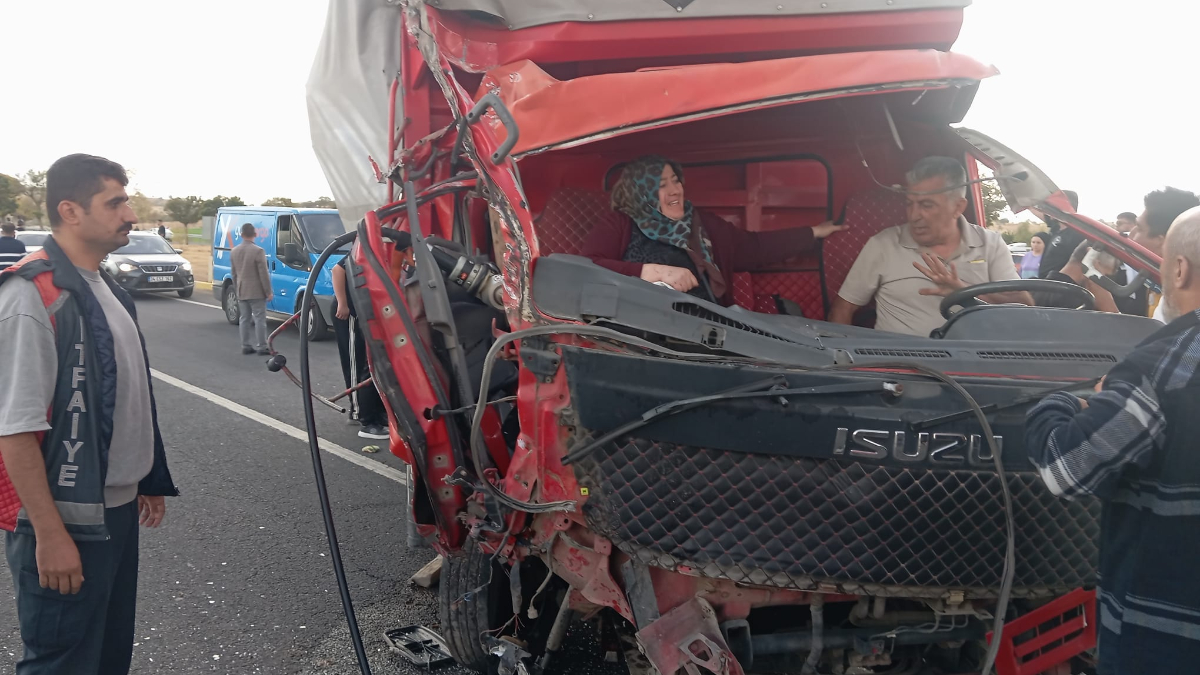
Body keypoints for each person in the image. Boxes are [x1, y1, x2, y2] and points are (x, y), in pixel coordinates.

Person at [0, 154, 177, 674]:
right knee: (62, 662)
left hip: (115, 511)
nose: (131, 215)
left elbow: (123, 396)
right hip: (67, 521)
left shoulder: (106, 288)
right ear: (70, 211)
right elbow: (14, 429)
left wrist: (144, 477)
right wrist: (50, 535)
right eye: (115, 202)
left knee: (106, 656)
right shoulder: (32, 295)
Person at [1025, 206, 1200, 674]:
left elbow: (1065, 467)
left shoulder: (1164, 369)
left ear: (1179, 270)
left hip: (1167, 638)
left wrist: (1060, 403)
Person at [579, 155, 844, 307]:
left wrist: (813, 232)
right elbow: (586, 268)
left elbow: (755, 248)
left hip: (708, 332)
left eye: (675, 181)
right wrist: (651, 272)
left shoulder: (703, 223)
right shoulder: (620, 223)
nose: (675, 190)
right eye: (661, 185)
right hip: (644, 335)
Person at [829, 156, 1032, 336]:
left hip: (974, 362)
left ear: (958, 207)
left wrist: (964, 292)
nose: (914, 216)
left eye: (926, 205)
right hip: (900, 363)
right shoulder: (883, 244)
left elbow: (1025, 307)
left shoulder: (990, 244)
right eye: (910, 203)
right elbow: (842, 309)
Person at [331, 257, 388, 440]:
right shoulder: (360, 249)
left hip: (364, 313)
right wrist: (343, 303)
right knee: (355, 363)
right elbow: (337, 270)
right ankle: (360, 415)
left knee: (367, 364)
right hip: (350, 313)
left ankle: (375, 412)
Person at [230, 222, 273, 355]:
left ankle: (245, 345)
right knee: (260, 319)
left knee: (244, 319)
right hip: (256, 291)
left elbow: (234, 274)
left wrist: (237, 288)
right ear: (255, 234)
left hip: (242, 290)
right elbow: (263, 274)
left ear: (242, 235)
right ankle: (262, 346)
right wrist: (268, 291)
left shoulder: (234, 251)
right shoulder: (258, 251)